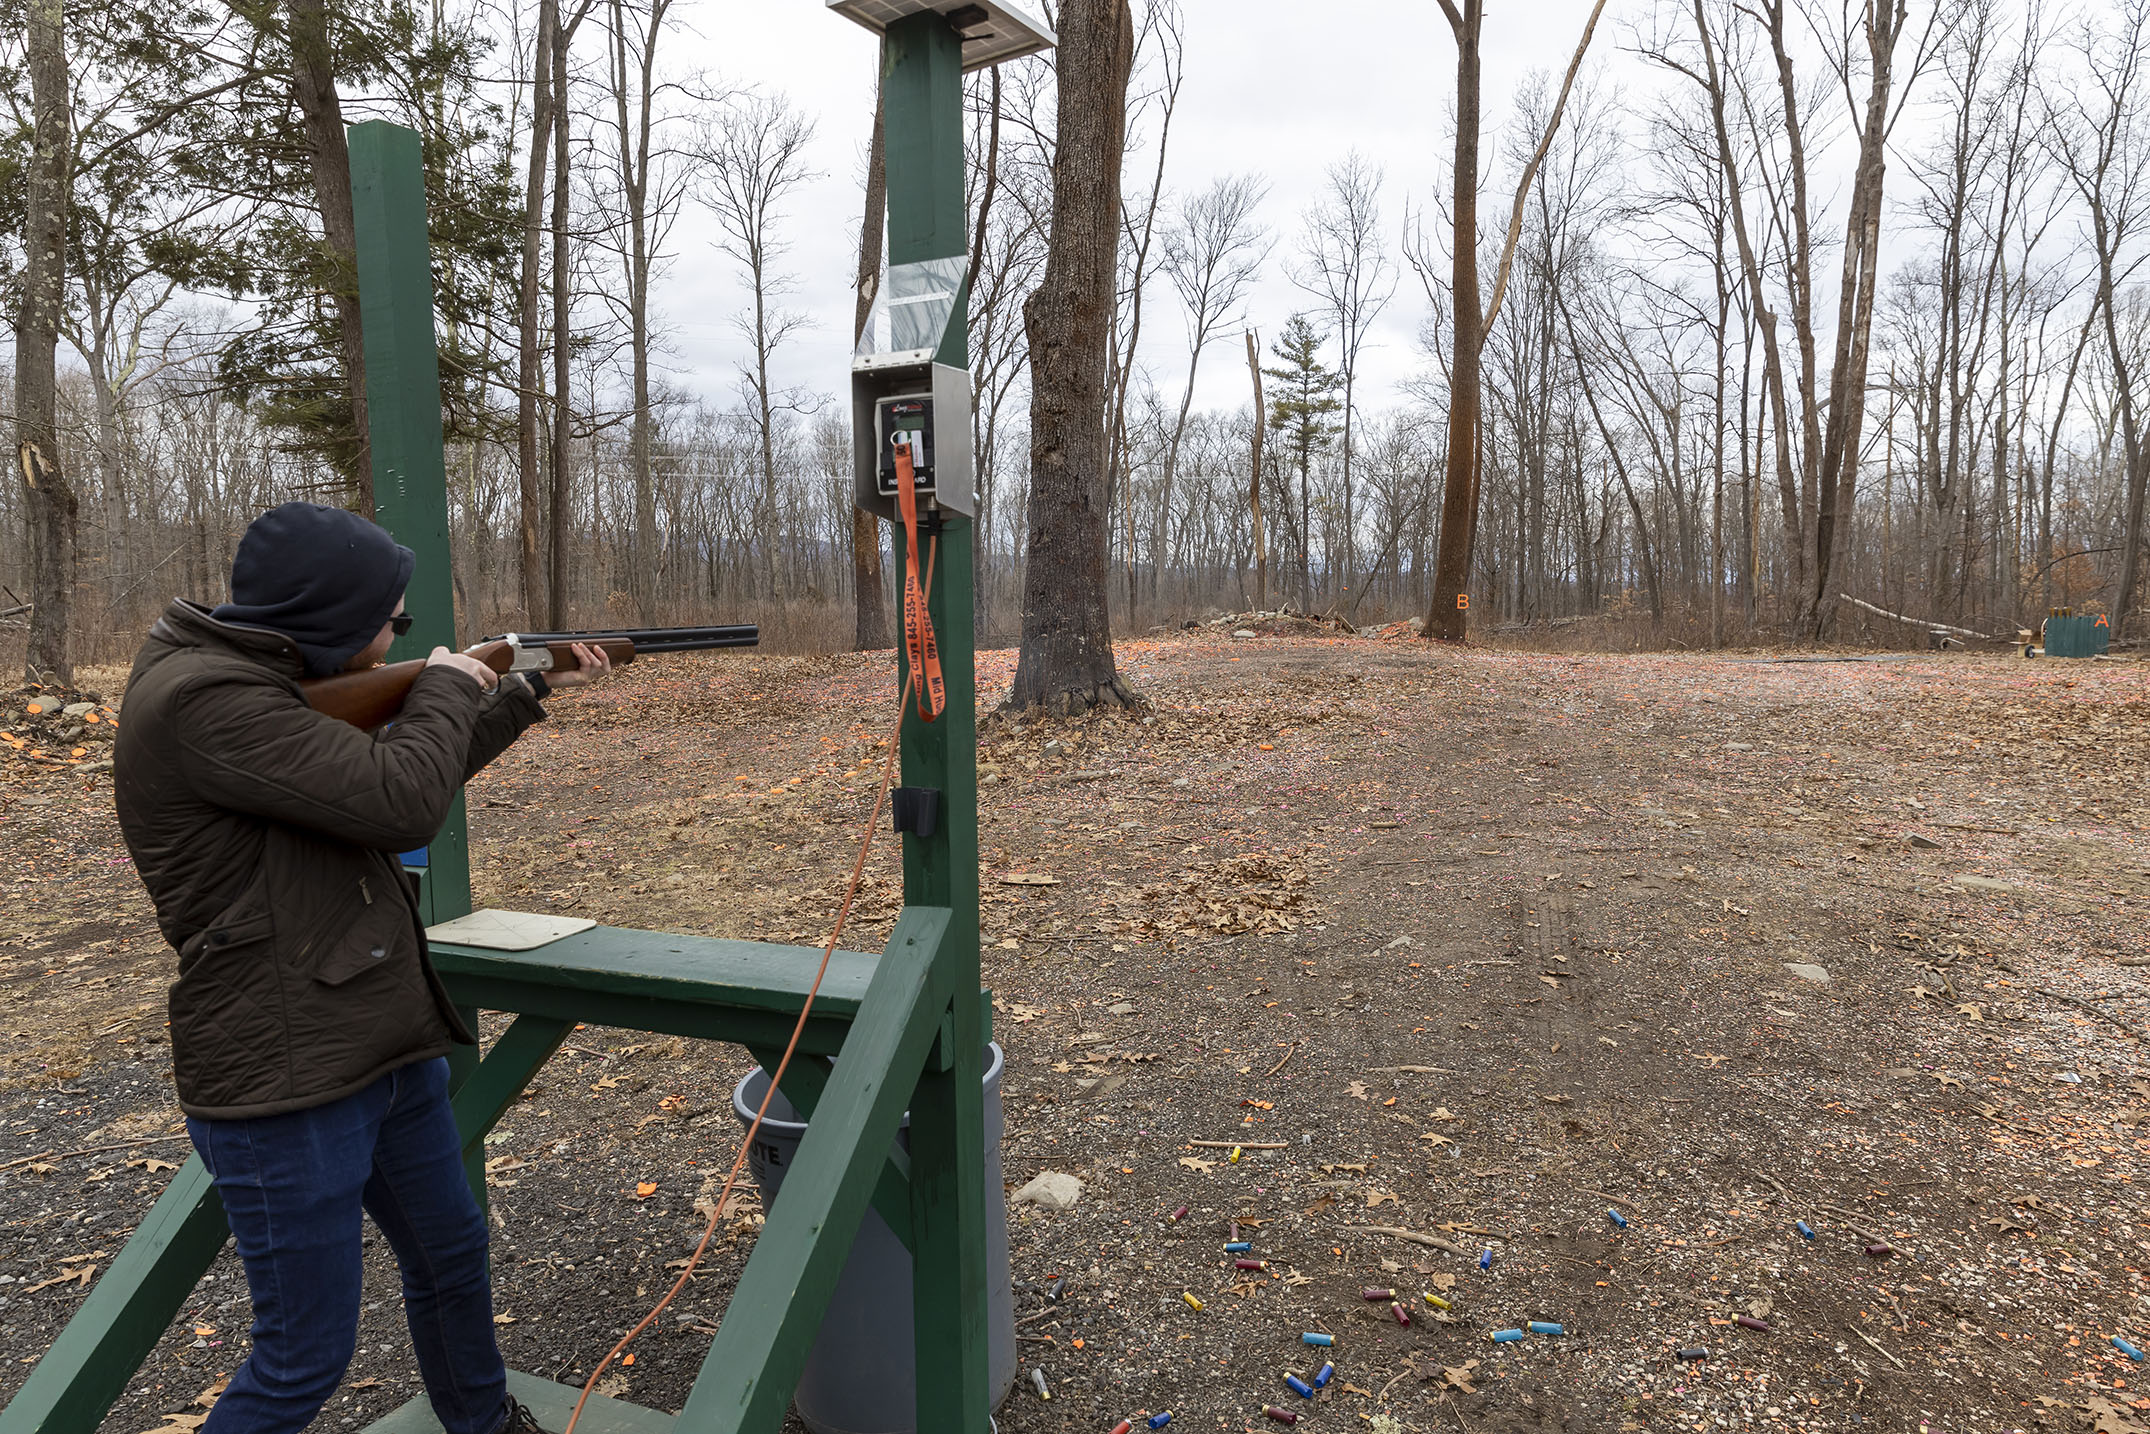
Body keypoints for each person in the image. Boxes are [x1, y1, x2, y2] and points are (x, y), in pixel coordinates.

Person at [113, 502, 609, 1434]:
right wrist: (447, 685)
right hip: (288, 1070)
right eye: (392, 619)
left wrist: (522, 691)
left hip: (374, 1033)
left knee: (451, 1257)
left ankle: (483, 1424)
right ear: (331, 620)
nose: (398, 635)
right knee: (302, 1360)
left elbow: (390, 782)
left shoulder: (265, 681)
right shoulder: (205, 700)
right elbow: (398, 802)